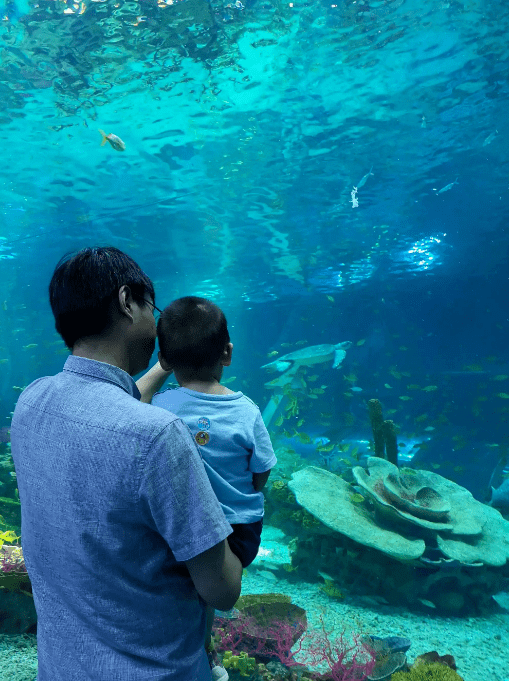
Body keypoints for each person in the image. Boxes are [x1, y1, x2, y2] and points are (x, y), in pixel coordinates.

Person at [9, 247, 242, 681]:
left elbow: (105, 407)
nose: (156, 324)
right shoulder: (158, 435)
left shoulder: (31, 403)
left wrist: (160, 369)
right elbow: (222, 590)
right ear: (126, 301)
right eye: (150, 308)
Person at [136, 296, 277, 681]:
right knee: (207, 589)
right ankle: (206, 650)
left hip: (175, 531)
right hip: (241, 532)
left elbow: (129, 401)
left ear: (166, 357)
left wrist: (162, 367)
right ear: (227, 353)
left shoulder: (162, 406)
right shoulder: (247, 410)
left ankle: (201, 651)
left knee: (189, 586)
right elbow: (261, 473)